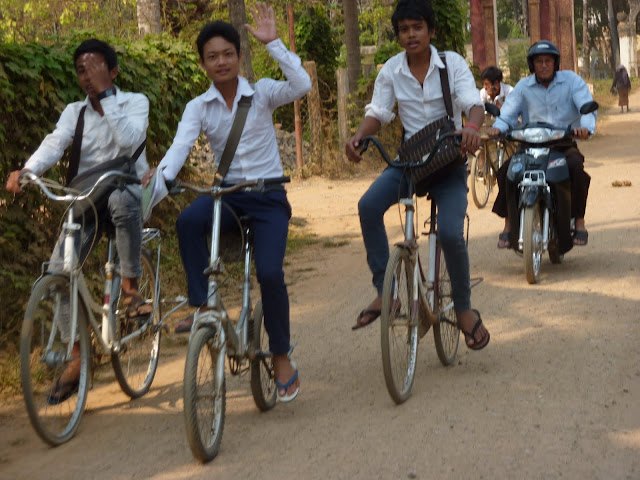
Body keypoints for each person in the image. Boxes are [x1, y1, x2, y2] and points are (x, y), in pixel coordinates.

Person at [143, 4, 311, 402]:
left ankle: (281, 354)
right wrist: (160, 178)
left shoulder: (265, 91)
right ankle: (202, 305)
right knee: (187, 221)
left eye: (228, 54)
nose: (221, 62)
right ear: (203, 64)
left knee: (270, 274)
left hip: (268, 196)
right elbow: (179, 149)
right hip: (228, 196)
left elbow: (301, 84)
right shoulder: (198, 108)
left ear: (239, 56)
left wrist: (274, 44)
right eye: (212, 56)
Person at [5, 39, 151, 403]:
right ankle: (75, 355)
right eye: (82, 70)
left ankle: (131, 291)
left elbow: (131, 142)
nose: (87, 75)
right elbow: (55, 143)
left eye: (95, 67)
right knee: (58, 273)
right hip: (86, 198)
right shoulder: (75, 111)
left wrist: (107, 97)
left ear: (113, 71)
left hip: (126, 192)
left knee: (120, 197)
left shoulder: (135, 102)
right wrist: (28, 169)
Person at [345, 0, 490, 351]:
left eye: (417, 28)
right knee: (367, 206)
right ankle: (387, 293)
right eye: (404, 30)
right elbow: (379, 112)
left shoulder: (451, 64)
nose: (411, 35)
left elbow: (473, 102)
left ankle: (465, 310)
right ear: (399, 36)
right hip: (411, 162)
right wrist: (360, 135)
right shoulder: (392, 71)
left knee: (452, 235)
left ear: (431, 31)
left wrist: (471, 126)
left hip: (449, 162)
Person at [488, 40, 596, 248]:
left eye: (548, 61)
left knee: (576, 168)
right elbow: (508, 114)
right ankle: (509, 223)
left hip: (562, 145)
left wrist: (585, 128)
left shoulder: (571, 81)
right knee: (506, 171)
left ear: (555, 63)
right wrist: (498, 128)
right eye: (539, 61)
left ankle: (579, 221)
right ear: (532, 65)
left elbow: (586, 107)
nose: (544, 65)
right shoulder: (523, 87)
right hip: (529, 146)